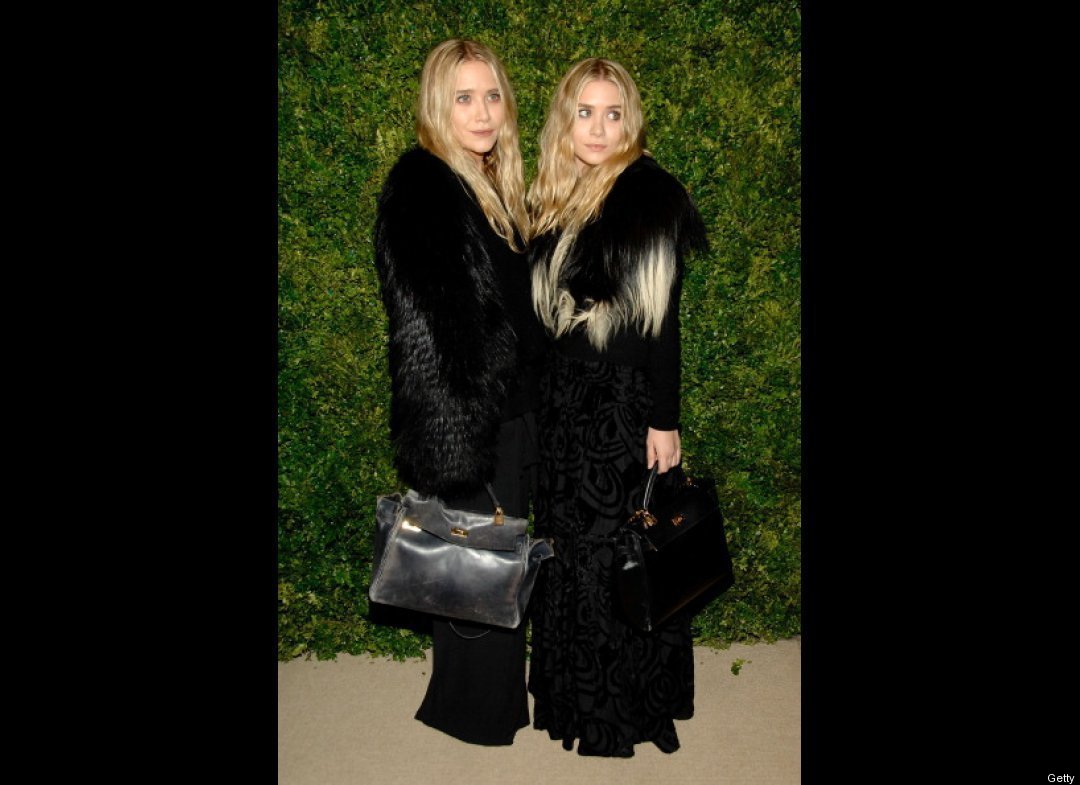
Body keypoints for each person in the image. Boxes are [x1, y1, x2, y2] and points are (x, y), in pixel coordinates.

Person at [525, 57, 709, 757]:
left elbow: (664, 323)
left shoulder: (649, 197)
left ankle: (621, 709)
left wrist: (665, 418)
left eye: (613, 113)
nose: (599, 128)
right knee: (568, 551)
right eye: (585, 112)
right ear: (564, 120)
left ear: (630, 122)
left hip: (621, 409)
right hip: (563, 407)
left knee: (621, 552)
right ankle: (572, 696)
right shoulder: (554, 196)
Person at [372, 38, 547, 746]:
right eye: (463, 98)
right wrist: (463, 433)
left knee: (493, 569)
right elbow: (430, 328)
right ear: (436, 106)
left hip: (514, 408)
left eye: (492, 96)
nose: (482, 113)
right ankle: (474, 714)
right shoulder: (422, 187)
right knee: (474, 572)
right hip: (471, 419)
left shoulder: (490, 183)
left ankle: (481, 702)